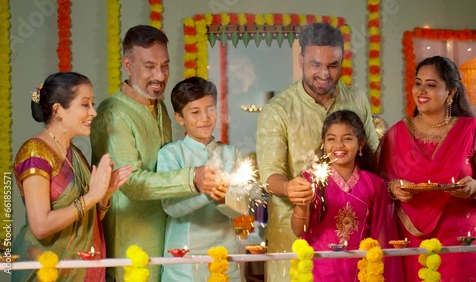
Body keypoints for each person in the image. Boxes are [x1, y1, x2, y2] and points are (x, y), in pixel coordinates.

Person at [90, 25, 220, 282]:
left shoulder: (160, 109)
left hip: (166, 238)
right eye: (149, 67)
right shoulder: (113, 114)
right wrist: (192, 177)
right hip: (130, 243)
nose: (160, 76)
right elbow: (131, 183)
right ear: (128, 65)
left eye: (165, 66)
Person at [256, 22, 379, 281]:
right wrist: (289, 187)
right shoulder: (278, 109)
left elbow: (374, 160)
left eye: (333, 65)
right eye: (315, 65)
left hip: (349, 236)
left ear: (342, 59)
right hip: (292, 235)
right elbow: (270, 174)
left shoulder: (357, 99)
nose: (324, 73)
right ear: (301, 60)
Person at [378, 56, 476, 281]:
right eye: (418, 82)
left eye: (431, 85)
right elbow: (376, 186)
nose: (421, 90)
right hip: (411, 243)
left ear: (451, 92)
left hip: (462, 242)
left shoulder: (471, 131)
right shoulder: (397, 134)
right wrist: (393, 188)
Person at [12, 72, 132, 281]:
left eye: (92, 104)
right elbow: (40, 227)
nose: (93, 112)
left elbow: (86, 220)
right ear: (58, 110)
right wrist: (92, 197)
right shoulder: (35, 153)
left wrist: (105, 195)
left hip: (79, 267)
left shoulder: (74, 153)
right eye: (85, 105)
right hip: (45, 268)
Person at [289, 110, 400, 281]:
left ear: (361, 143)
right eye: (331, 139)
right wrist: (302, 204)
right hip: (318, 271)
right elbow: (298, 230)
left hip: (361, 272)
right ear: (323, 144)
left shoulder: (374, 184)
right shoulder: (310, 180)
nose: (339, 145)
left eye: (347, 139)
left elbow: (381, 236)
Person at [157, 76, 243, 281]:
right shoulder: (171, 154)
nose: (205, 118)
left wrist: (224, 199)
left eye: (210, 109)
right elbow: (171, 208)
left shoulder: (231, 154)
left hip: (225, 255)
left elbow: (243, 209)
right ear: (180, 118)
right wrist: (207, 194)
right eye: (195, 112)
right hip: (183, 261)